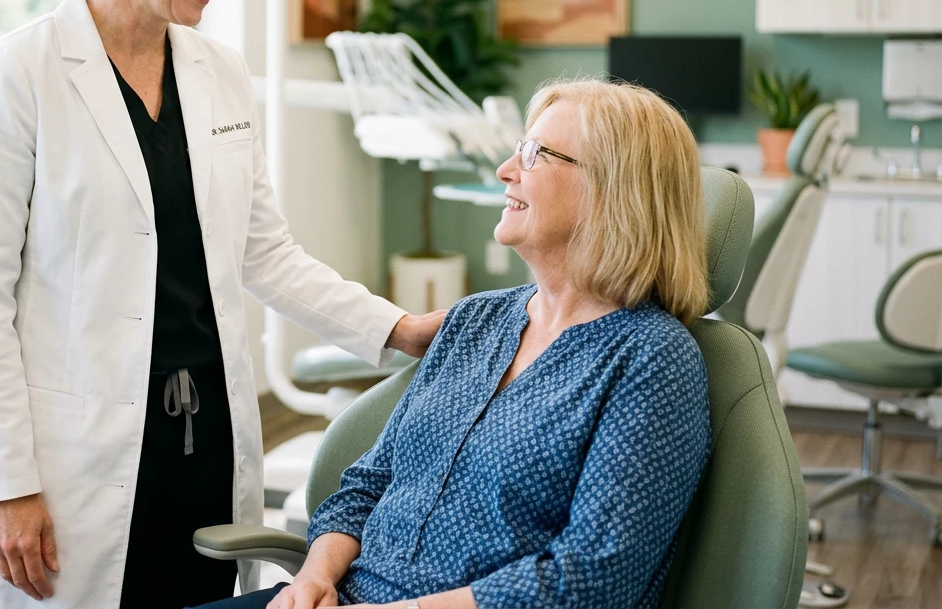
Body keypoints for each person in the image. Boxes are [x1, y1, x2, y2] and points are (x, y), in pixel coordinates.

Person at [0, 0, 443, 609]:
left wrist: (399, 329)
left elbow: (264, 254)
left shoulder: (220, 74)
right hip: (69, 454)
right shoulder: (18, 73)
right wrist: (8, 483)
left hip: (199, 440)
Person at [198, 78, 713, 609]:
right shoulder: (476, 319)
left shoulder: (653, 359)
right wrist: (313, 579)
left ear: (614, 189)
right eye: (518, 148)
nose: (506, 170)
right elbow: (367, 484)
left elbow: (594, 577)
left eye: (534, 154)